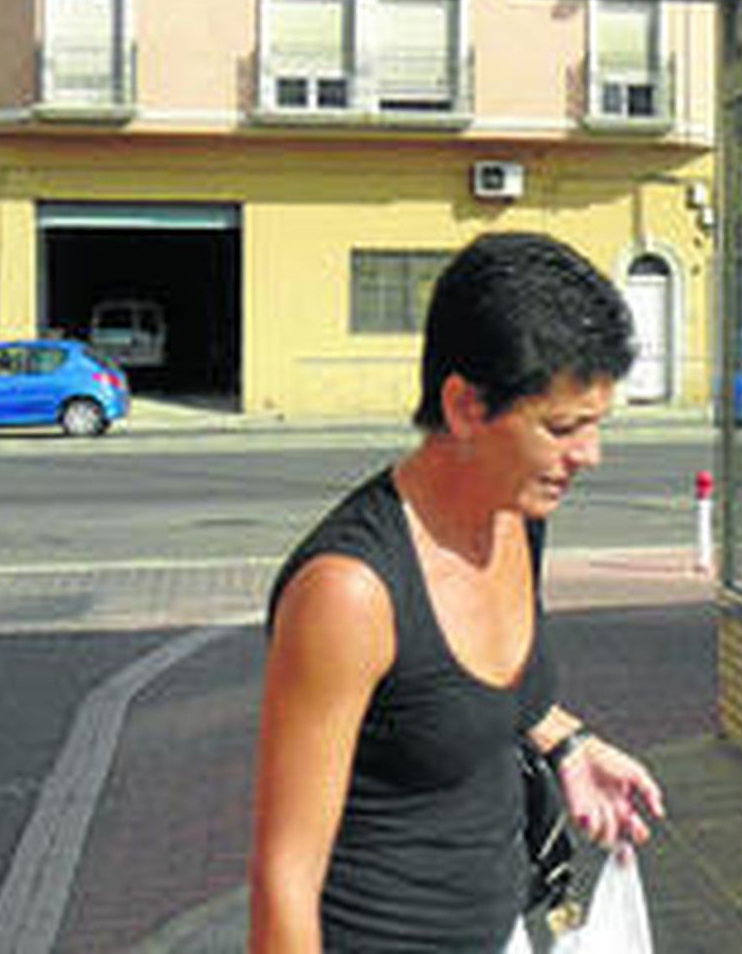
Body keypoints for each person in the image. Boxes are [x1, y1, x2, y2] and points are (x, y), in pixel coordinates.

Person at [250, 231, 665, 952]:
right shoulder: (349, 593)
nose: (589, 455)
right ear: (466, 406)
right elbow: (283, 879)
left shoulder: (517, 513)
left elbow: (455, 694)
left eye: (596, 425)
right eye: (564, 427)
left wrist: (568, 744)